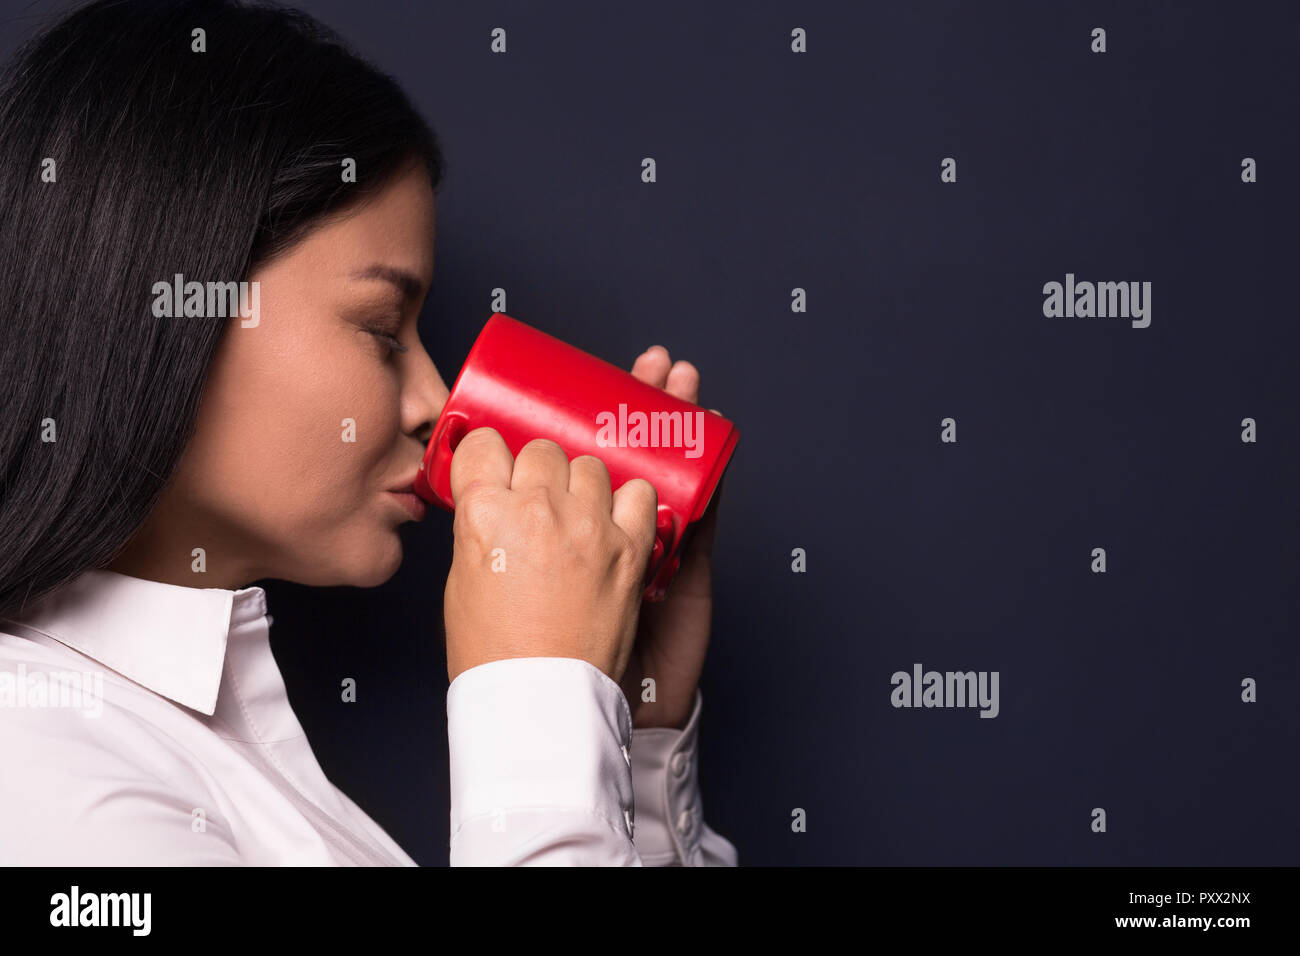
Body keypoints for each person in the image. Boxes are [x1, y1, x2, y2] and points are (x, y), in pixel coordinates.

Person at [0, 0, 736, 866]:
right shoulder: (42, 771)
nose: (431, 399)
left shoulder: (212, 748)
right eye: (384, 329)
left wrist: (624, 723)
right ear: (166, 312)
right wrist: (539, 694)